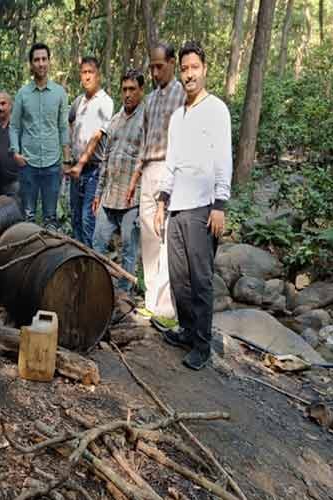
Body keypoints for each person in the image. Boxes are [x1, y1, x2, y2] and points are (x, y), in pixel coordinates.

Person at [154, 41, 232, 370]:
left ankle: (203, 343)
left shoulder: (217, 109)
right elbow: (171, 162)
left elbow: (223, 158)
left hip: (203, 207)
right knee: (178, 276)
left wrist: (220, 204)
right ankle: (187, 330)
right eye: (184, 69)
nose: (188, 74)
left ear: (204, 70)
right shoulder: (176, 117)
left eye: (194, 68)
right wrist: (161, 201)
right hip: (177, 207)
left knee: (201, 279)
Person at [126, 42, 186, 319]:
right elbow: (144, 140)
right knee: (148, 236)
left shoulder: (182, 94)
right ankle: (151, 298)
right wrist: (135, 177)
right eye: (151, 67)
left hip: (169, 168)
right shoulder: (150, 99)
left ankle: (165, 305)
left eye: (159, 66)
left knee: (164, 235)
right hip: (148, 169)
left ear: (172, 63)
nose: (154, 72)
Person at [91, 69, 146, 292]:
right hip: (109, 197)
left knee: (128, 252)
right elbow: (105, 159)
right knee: (97, 245)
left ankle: (124, 297)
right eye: (124, 89)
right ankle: (97, 288)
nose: (127, 94)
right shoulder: (115, 120)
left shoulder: (146, 119)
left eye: (132, 89)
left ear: (142, 90)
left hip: (132, 200)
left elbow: (146, 160)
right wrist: (98, 194)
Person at [10, 42, 71, 230]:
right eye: (36, 60)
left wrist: (66, 159)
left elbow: (63, 127)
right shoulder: (23, 94)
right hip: (28, 164)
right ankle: (29, 257)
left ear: (49, 62)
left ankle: (49, 257)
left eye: (44, 59)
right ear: (31, 64)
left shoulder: (60, 93)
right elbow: (14, 126)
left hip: (52, 164)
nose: (41, 63)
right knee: (28, 216)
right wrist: (16, 153)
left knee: (50, 218)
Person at [68, 56, 113, 247]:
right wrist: (69, 157)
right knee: (75, 219)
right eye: (83, 73)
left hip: (94, 170)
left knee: (88, 220)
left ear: (98, 75)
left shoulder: (105, 102)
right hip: (76, 170)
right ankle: (77, 264)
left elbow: (97, 136)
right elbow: (69, 123)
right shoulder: (78, 102)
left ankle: (91, 267)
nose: (86, 77)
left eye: (90, 72)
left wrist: (80, 163)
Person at [0, 91, 21, 197]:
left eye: (3, 104)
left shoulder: (18, 127)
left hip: (16, 183)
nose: (0, 108)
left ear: (10, 105)